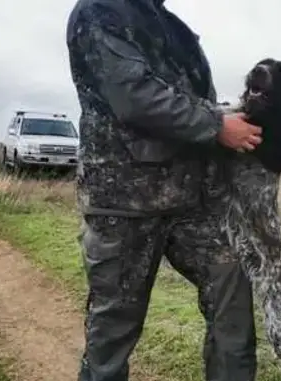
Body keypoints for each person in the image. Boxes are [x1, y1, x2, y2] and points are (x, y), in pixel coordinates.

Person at [65, 0, 263, 380]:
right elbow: (134, 96)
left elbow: (195, 100)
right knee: (113, 329)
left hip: (193, 202)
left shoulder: (173, 27)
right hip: (123, 203)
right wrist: (217, 126)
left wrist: (239, 115)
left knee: (231, 288)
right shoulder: (99, 11)